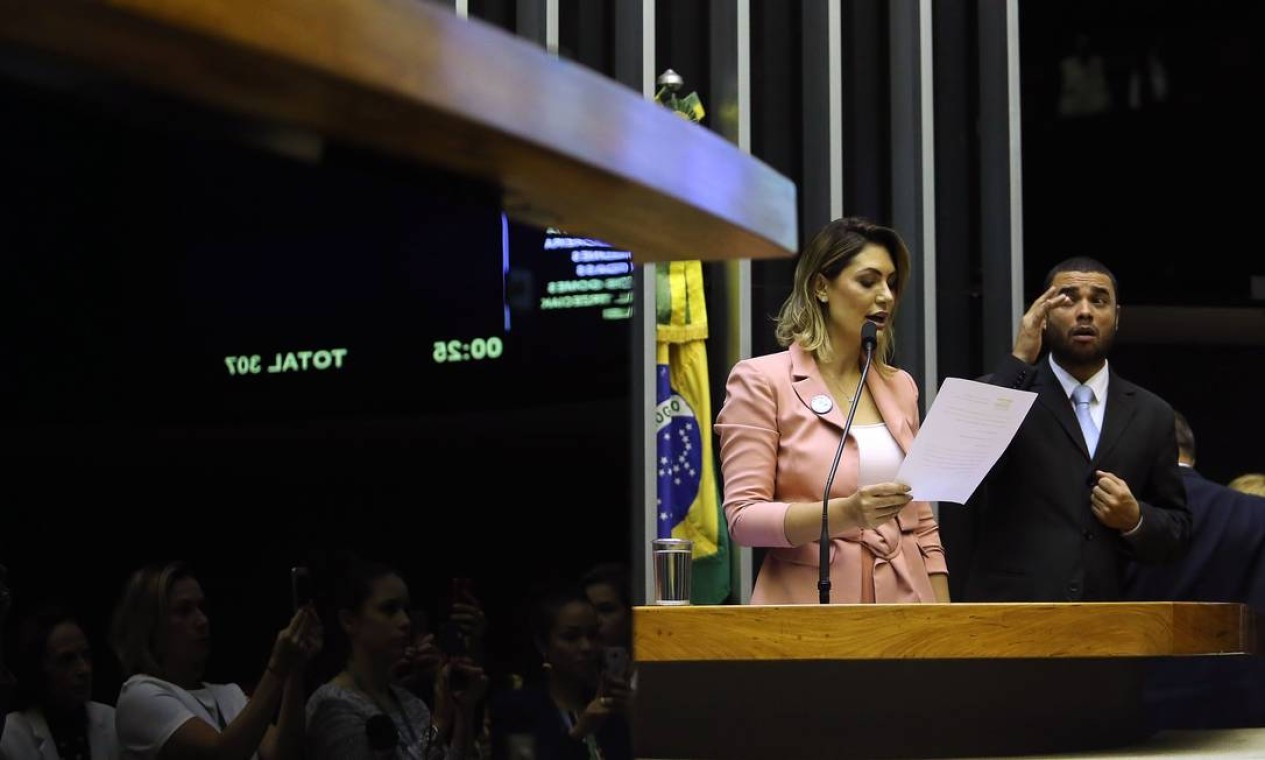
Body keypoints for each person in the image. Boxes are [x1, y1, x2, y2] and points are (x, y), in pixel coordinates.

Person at [713, 216, 949, 604]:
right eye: (868, 281)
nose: (886, 296)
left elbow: (921, 521)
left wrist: (946, 623)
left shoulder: (900, 386)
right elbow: (743, 519)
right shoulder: (761, 380)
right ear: (822, 286)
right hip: (811, 609)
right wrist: (845, 514)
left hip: (908, 604)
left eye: (892, 283)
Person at [962, 256, 1191, 602]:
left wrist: (1135, 518)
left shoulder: (1152, 413)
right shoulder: (1005, 392)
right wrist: (1019, 360)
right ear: (1041, 314)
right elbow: (963, 471)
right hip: (1010, 618)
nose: (1085, 311)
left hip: (1107, 623)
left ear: (1116, 317)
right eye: (1068, 299)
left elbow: (1177, 530)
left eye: (1099, 300)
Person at [1123, 411, 1265, 729]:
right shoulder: (1257, 515)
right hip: (1245, 720)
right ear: (1191, 451)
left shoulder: (1106, 521)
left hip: (1137, 719)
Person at [110, 562, 321, 760]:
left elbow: (282, 753)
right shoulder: (138, 694)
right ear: (150, 626)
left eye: (202, 608)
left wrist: (294, 667)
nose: (202, 621)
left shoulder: (229, 694)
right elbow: (222, 753)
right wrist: (276, 669)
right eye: (184, 610)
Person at [304, 557, 487, 760]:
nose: (405, 621)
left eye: (405, 610)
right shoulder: (332, 705)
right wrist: (438, 723)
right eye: (389, 609)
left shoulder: (410, 702)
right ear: (349, 621)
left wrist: (464, 713)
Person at [487, 583, 632, 760]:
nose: (587, 647)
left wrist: (630, 715)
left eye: (593, 635)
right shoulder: (517, 708)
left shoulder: (606, 707)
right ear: (543, 644)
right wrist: (579, 732)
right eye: (571, 637)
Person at [1, 605, 119, 759]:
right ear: (38, 668)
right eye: (67, 659)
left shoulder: (112, 721)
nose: (84, 669)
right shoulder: (9, 735)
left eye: (86, 655)